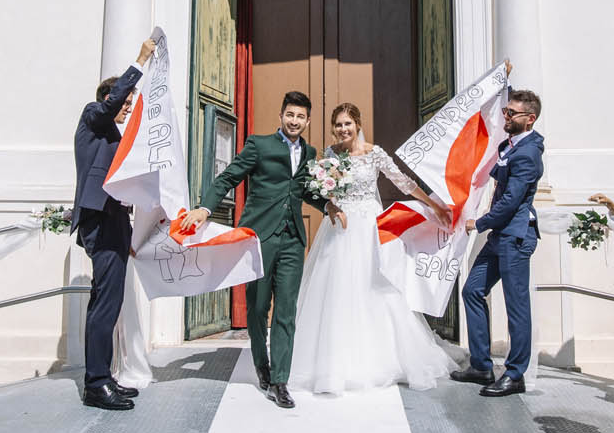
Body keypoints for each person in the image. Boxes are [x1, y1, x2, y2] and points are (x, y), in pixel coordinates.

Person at [289, 103, 453, 396]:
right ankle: (331, 361)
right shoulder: (330, 155)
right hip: (339, 227)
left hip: (367, 227)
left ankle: (385, 357)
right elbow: (321, 191)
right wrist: (328, 196)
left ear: (357, 124)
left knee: (376, 287)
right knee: (336, 289)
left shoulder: (374, 153)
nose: (343, 129)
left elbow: (403, 182)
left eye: (347, 124)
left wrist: (435, 205)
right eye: (338, 125)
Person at [195, 89, 335, 410]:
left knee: (286, 310)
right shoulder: (260, 145)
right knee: (258, 309)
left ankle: (280, 381)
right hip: (258, 239)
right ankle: (262, 364)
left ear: (308, 120)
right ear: (282, 115)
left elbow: (303, 192)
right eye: (290, 115)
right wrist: (205, 207)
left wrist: (329, 204)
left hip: (292, 240)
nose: (295, 121)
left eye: (301, 116)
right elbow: (228, 177)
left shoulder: (311, 153)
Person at [69, 37, 153, 412]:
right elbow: (110, 105)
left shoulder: (119, 138)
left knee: (110, 301)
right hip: (99, 222)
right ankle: (96, 384)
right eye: (124, 103)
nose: (126, 109)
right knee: (106, 303)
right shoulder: (93, 118)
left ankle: (104, 376)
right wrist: (140, 60)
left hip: (118, 222)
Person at [451, 88, 544, 398]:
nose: (506, 116)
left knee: (516, 307)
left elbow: (511, 201)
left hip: (515, 235)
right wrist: (504, 79)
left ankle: (515, 374)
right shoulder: (509, 145)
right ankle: (481, 365)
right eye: (505, 111)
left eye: (512, 113)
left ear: (529, 119)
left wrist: (479, 223)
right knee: (472, 290)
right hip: (499, 235)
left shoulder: (528, 153)